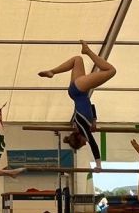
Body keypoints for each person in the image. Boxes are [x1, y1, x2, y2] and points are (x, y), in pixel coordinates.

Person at [37, 41, 116, 170]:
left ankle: (88, 51)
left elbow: (93, 144)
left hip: (79, 90)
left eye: (82, 143)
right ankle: (52, 71)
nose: (85, 144)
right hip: (76, 92)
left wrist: (98, 165)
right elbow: (91, 105)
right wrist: (94, 121)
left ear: (79, 137)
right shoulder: (82, 124)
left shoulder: (83, 127)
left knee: (111, 71)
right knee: (77, 60)